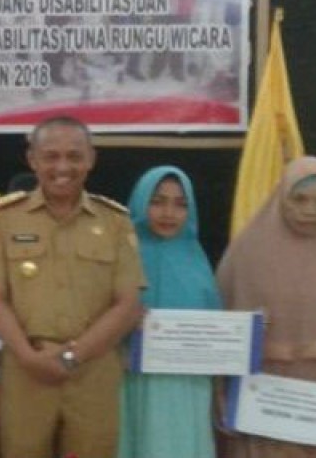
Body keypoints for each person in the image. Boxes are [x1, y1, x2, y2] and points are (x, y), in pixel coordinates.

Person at [0, 115, 146, 458]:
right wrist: (28, 357)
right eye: (51, 156)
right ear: (32, 160)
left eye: (74, 156)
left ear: (91, 159)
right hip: (25, 371)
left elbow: (127, 304)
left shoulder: (114, 221)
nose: (62, 167)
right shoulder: (4, 218)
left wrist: (71, 356)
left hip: (93, 371)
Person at [217, 156, 316, 458]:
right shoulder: (246, 252)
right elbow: (219, 330)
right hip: (263, 404)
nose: (310, 211)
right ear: (282, 196)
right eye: (299, 199)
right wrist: (220, 391)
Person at [116, 166, 219, 458]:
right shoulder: (120, 256)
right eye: (157, 201)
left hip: (184, 388)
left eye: (180, 204)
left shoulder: (197, 264)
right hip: (131, 383)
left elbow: (217, 332)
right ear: (140, 202)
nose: (168, 213)